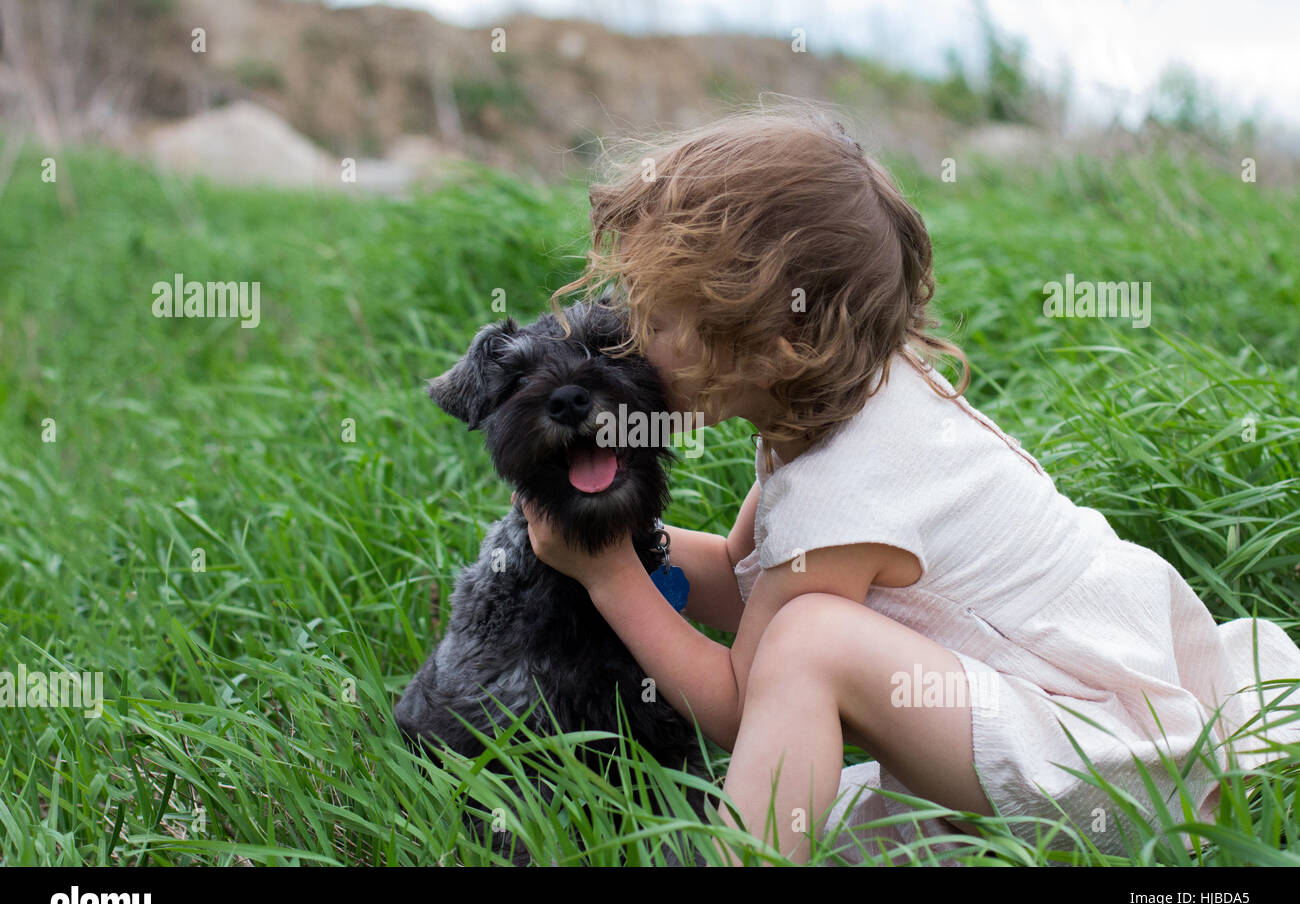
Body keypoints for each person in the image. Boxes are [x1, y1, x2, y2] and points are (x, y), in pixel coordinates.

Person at [516, 102, 1300, 865]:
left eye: (659, 321)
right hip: (1069, 709)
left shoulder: (843, 499)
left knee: (807, 653)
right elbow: (746, 578)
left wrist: (615, 579)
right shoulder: (851, 400)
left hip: (1103, 773)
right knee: (828, 810)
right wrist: (610, 538)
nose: (630, 340)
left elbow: (743, 700)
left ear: (777, 346)